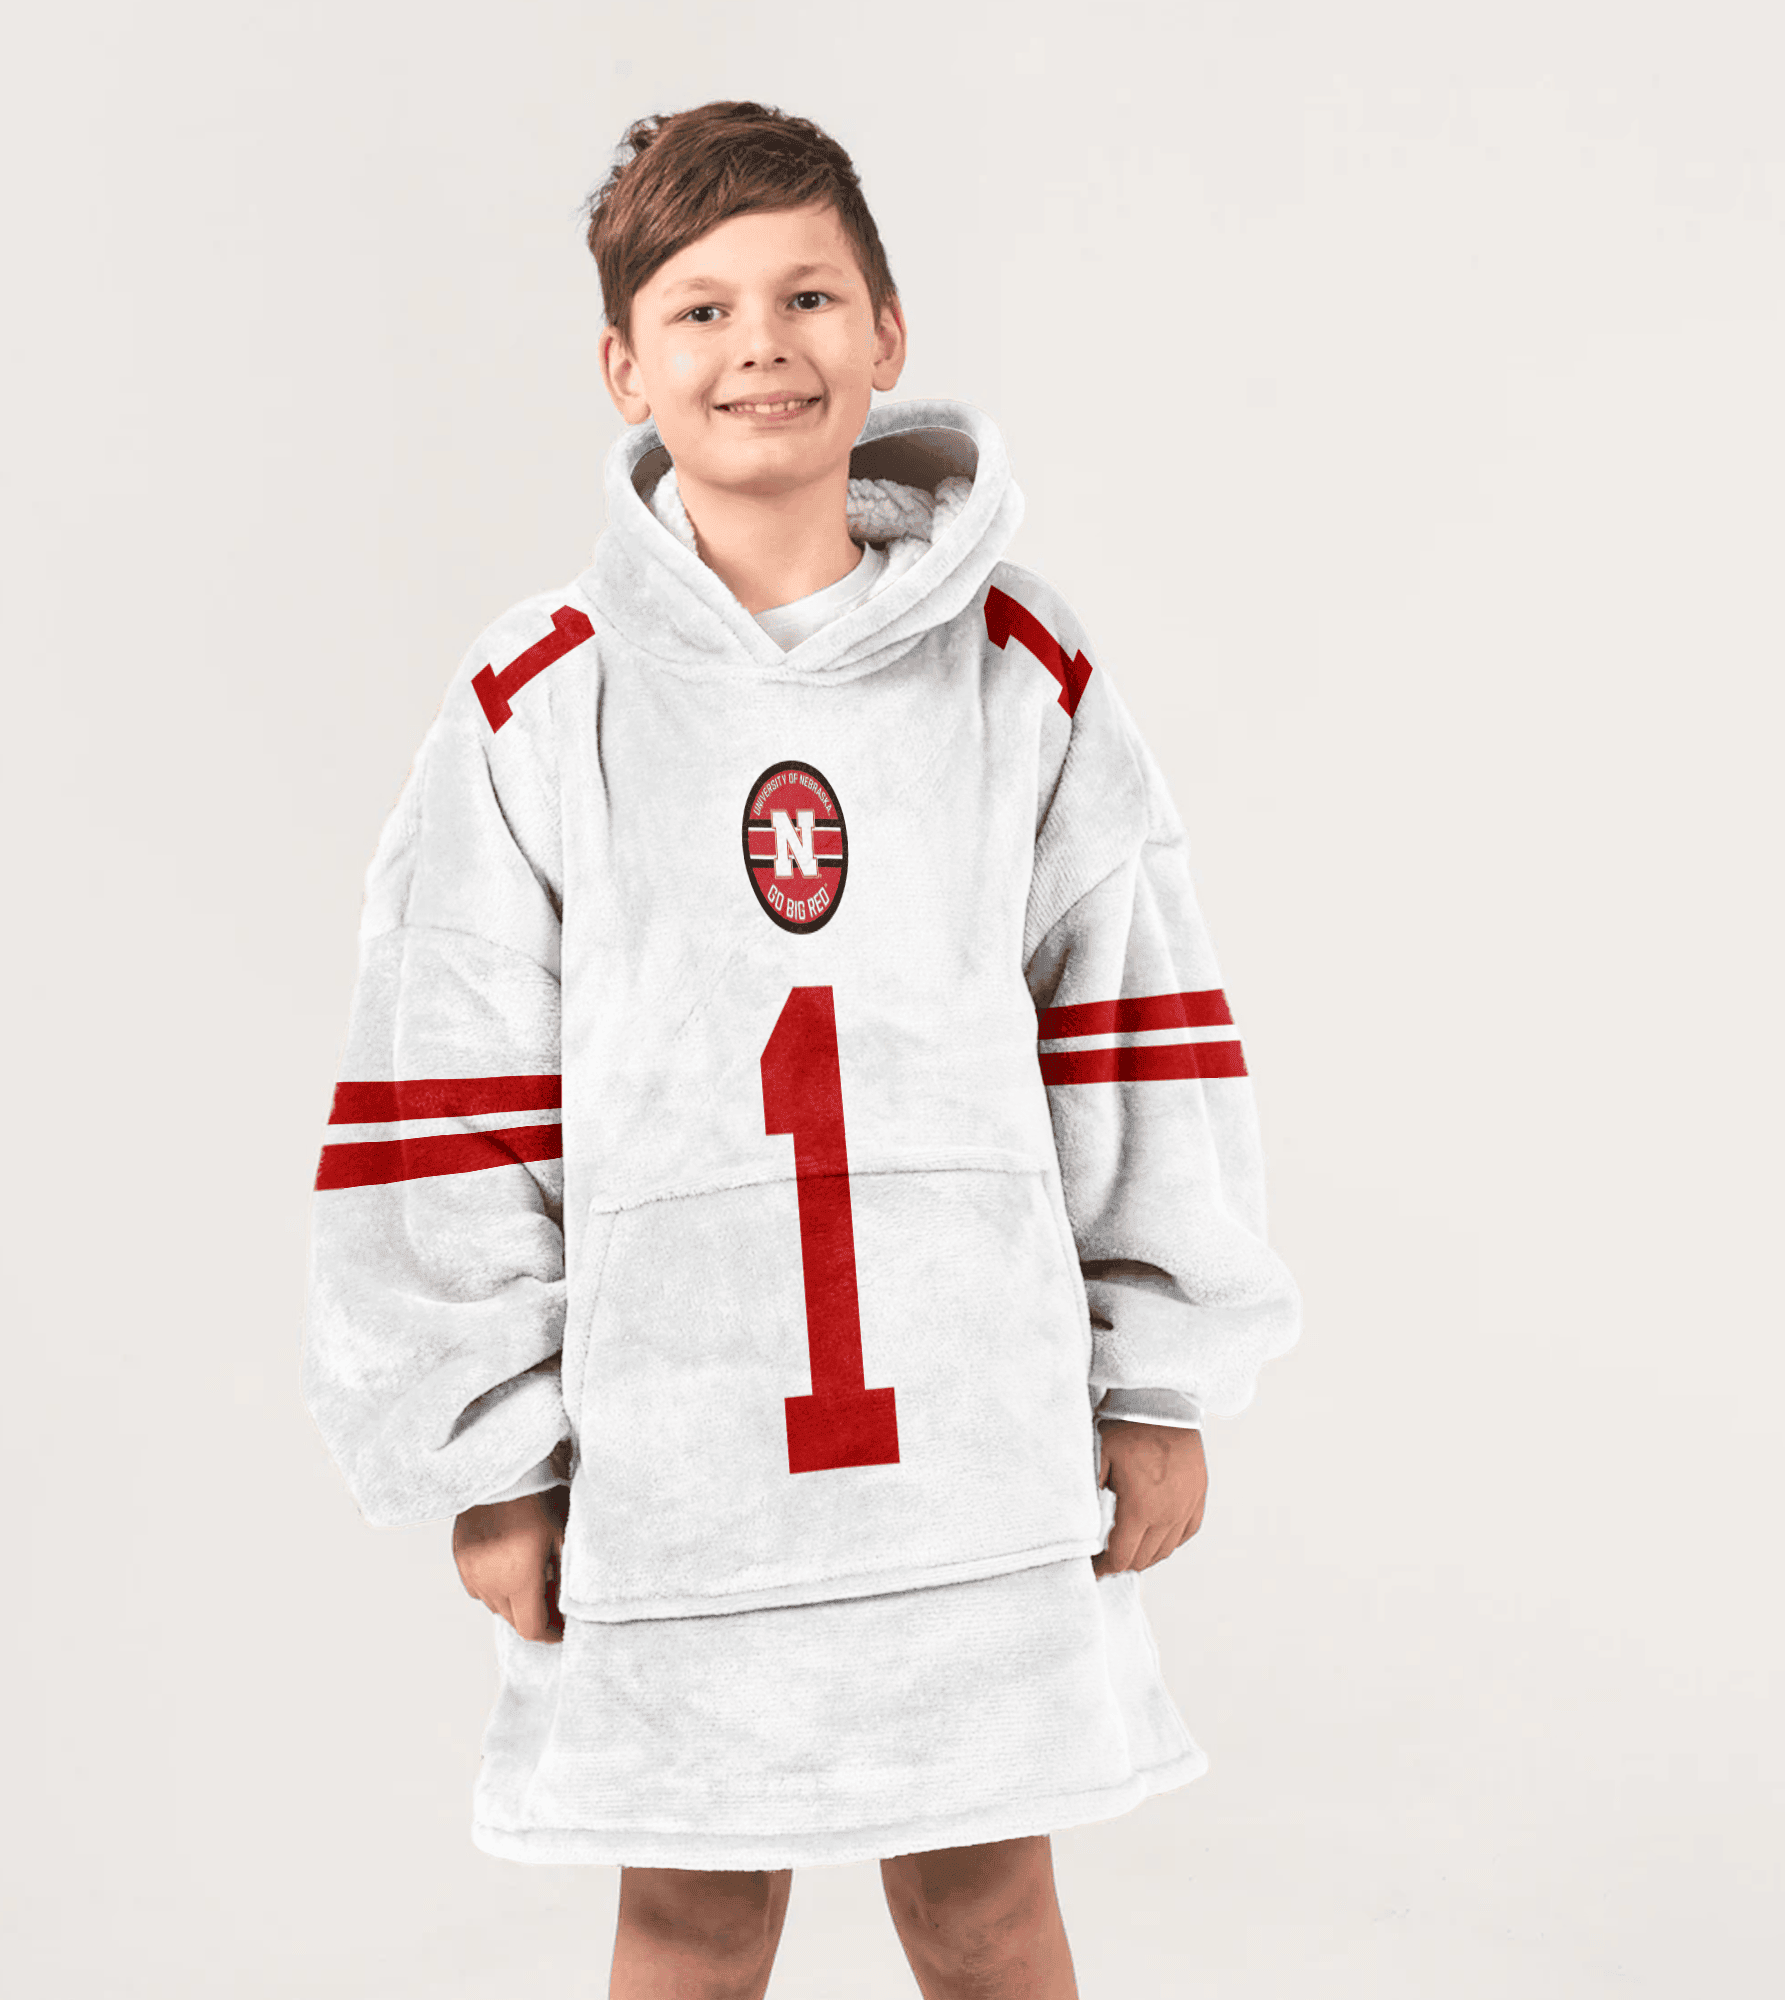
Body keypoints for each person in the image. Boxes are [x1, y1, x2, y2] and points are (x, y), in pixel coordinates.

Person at [302, 99, 1300, 2000]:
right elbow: (454, 1074)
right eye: (701, 310)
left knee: (984, 1902)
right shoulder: (541, 704)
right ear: (624, 367)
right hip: (673, 1451)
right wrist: (495, 1453)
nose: (759, 344)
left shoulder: (1020, 673)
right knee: (694, 1914)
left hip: (974, 1433)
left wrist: (1159, 1375)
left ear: (889, 331)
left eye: (808, 296)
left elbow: (1129, 1027)